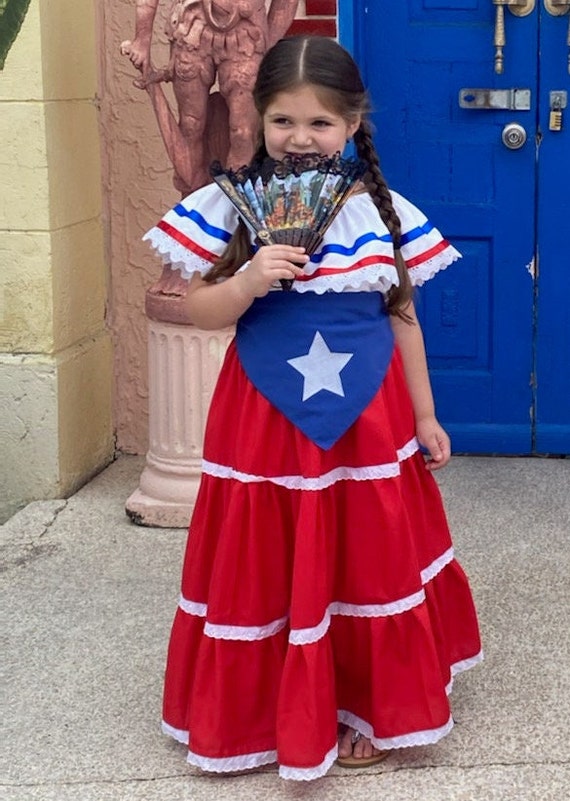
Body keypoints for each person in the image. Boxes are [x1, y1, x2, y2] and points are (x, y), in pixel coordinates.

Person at [143, 35, 482, 781]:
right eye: (283, 121)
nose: (300, 138)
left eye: (320, 123)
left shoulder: (380, 213)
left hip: (368, 422)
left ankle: (362, 701)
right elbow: (198, 310)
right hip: (262, 420)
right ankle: (267, 698)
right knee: (267, 552)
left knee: (365, 549)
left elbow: (403, 317)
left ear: (355, 123)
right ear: (258, 121)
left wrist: (425, 415)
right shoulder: (232, 204)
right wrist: (249, 282)